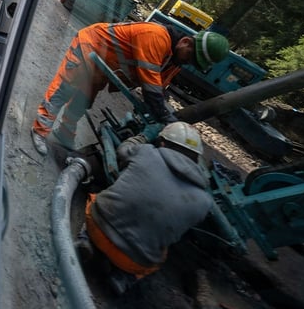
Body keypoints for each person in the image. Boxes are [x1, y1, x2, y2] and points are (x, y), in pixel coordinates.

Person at [31, 21, 229, 156]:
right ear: (185, 42)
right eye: (190, 58)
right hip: (91, 45)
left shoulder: (175, 60)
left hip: (104, 62)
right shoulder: (156, 36)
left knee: (84, 98)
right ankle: (40, 130)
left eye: (193, 63)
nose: (188, 63)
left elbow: (159, 89)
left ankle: (64, 134)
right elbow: (150, 87)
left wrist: (163, 107)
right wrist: (165, 118)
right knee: (65, 89)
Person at [76, 122, 214, 295]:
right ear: (196, 158)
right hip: (134, 260)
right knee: (162, 254)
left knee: (97, 198)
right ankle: (124, 279)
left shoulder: (147, 152)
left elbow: (123, 150)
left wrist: (142, 137)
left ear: (163, 143)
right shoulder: (204, 202)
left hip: (98, 228)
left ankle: (85, 239)